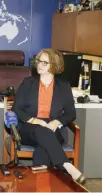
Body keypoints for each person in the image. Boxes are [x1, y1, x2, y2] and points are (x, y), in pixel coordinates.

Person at [13, 48, 86, 184]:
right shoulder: (28, 83)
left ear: (54, 65)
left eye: (44, 62)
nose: (39, 65)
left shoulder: (63, 86)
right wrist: (36, 121)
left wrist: (56, 122)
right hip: (30, 128)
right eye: (38, 61)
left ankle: (40, 186)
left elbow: (71, 113)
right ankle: (66, 165)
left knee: (43, 149)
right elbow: (16, 109)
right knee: (42, 130)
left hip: (54, 130)